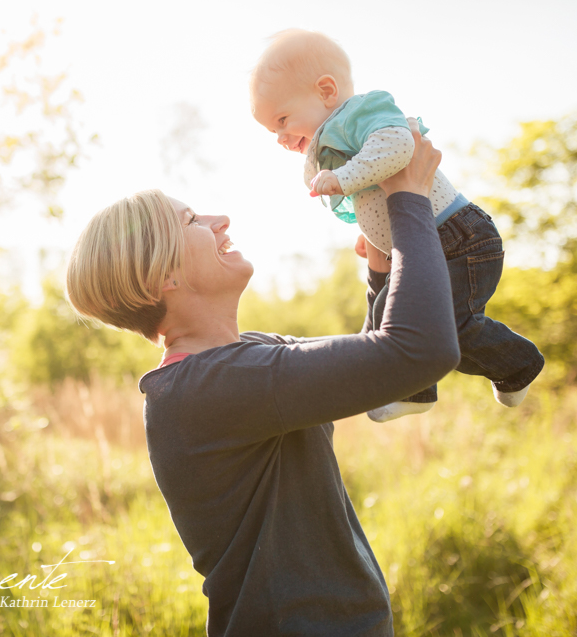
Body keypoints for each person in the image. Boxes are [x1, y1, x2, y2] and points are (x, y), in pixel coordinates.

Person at [65, 124, 458, 636]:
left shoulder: (250, 357)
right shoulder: (208, 389)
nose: (221, 219)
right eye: (192, 220)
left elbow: (377, 369)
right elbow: (419, 352)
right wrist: (408, 200)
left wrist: (381, 270)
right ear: (164, 277)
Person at [249, 29, 544, 422]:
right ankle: (412, 389)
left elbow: (396, 146)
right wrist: (371, 233)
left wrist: (343, 178)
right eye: (274, 132)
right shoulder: (335, 140)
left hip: (458, 236)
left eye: (282, 120)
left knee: (448, 324)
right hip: (427, 242)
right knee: (390, 317)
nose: (282, 139)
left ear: (325, 91)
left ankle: (517, 363)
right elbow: (376, 190)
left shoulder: (359, 113)